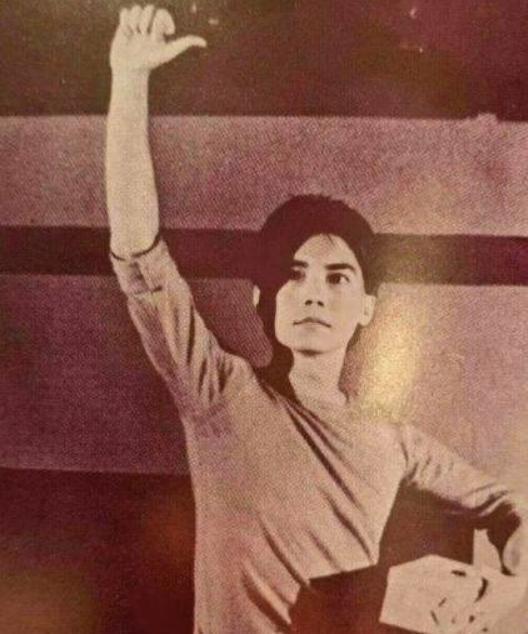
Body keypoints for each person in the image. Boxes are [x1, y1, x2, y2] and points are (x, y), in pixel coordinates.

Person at [106, 5, 528, 633]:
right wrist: (129, 79)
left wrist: (516, 555)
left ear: (366, 308)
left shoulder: (391, 440)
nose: (312, 295)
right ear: (262, 298)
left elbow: (505, 502)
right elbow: (140, 256)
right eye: (294, 275)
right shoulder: (219, 392)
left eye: (337, 279)